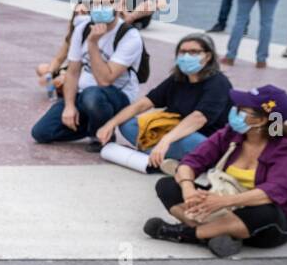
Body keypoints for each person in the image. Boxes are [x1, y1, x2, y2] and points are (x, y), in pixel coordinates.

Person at [145, 85, 287, 257]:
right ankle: (218, 234)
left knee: (265, 212)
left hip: (260, 224)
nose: (234, 111)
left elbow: (275, 191)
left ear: (261, 120)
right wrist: (188, 188)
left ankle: (187, 234)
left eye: (242, 110)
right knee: (167, 185)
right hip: (223, 206)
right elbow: (191, 161)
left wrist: (225, 201)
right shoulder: (229, 134)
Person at [31, 0, 144, 147]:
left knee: (93, 95)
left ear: (120, 4)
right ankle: (93, 123)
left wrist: (92, 44)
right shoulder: (82, 27)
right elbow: (73, 72)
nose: (101, 8)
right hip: (83, 94)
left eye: (108, 3)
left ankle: (99, 134)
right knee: (41, 132)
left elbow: (105, 80)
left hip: (115, 96)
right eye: (97, 3)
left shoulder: (129, 36)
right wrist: (69, 106)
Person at [95, 33, 231, 168]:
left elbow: (198, 118)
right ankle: (168, 159)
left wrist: (165, 141)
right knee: (126, 124)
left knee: (191, 142)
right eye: (182, 52)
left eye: (194, 52)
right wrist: (110, 124)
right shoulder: (177, 79)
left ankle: (159, 155)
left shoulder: (218, 83)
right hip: (173, 132)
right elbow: (144, 103)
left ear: (208, 56)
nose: (187, 56)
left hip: (201, 138)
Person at [34, 1, 88, 99]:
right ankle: (59, 85)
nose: (79, 16)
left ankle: (63, 87)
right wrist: (49, 74)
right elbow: (59, 59)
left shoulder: (93, 35)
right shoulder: (72, 35)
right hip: (70, 68)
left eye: (83, 13)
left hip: (83, 72)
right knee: (42, 69)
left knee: (64, 80)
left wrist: (66, 75)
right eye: (77, 13)